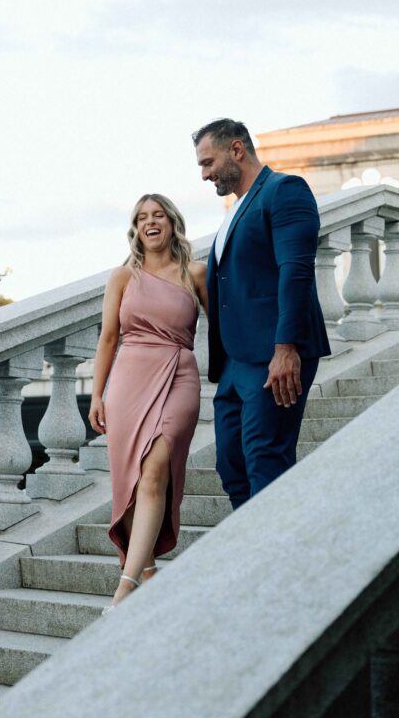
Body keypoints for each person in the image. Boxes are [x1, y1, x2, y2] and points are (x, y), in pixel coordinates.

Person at [192, 118, 331, 510]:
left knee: (266, 461)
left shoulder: (284, 190)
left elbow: (296, 270)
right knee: (231, 465)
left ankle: (276, 563)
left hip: (276, 354)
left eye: (208, 163)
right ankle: (252, 553)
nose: (205, 175)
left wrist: (286, 347)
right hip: (234, 363)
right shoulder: (234, 211)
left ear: (236, 150)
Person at [89, 194, 207, 609]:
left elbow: (228, 329)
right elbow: (108, 338)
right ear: (136, 229)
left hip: (179, 374)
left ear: (173, 223)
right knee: (135, 480)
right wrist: (97, 395)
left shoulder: (196, 274)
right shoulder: (123, 277)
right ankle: (150, 569)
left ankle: (125, 587)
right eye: (142, 218)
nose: (150, 222)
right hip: (129, 381)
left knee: (156, 469)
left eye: (158, 215)